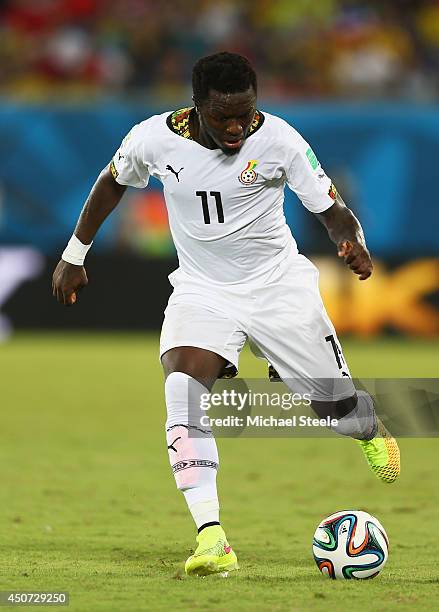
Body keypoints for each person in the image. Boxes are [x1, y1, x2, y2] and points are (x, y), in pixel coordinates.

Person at [52, 52, 400, 577]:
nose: (237, 127)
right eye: (223, 117)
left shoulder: (279, 139)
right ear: (196, 108)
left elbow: (330, 210)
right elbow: (112, 181)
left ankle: (368, 427)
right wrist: (74, 255)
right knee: (181, 391)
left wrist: (352, 241)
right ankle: (212, 537)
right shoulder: (153, 137)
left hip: (279, 288)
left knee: (335, 409)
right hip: (203, 290)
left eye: (245, 113)